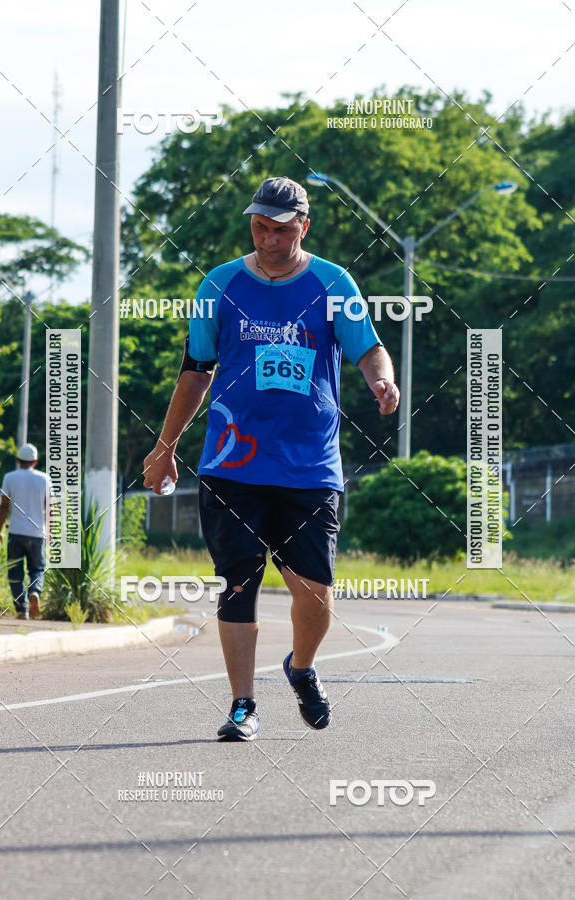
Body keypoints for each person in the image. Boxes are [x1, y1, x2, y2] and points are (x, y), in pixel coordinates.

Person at [143, 176, 400, 741]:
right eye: (260, 227)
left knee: (314, 591)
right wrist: (165, 448)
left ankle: (301, 667)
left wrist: (383, 382)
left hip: (309, 465)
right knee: (239, 581)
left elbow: (369, 348)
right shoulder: (219, 285)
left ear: (303, 227)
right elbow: (195, 371)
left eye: (282, 230)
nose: (269, 239)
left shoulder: (335, 283)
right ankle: (242, 705)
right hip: (232, 463)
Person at [0, 443, 50, 620]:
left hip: (16, 532)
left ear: (18, 460)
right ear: (35, 461)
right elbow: (50, 508)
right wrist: (50, 532)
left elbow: (4, 506)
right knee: (37, 570)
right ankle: (35, 591)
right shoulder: (44, 479)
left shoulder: (9, 477)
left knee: (15, 573)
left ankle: (22, 610)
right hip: (36, 534)